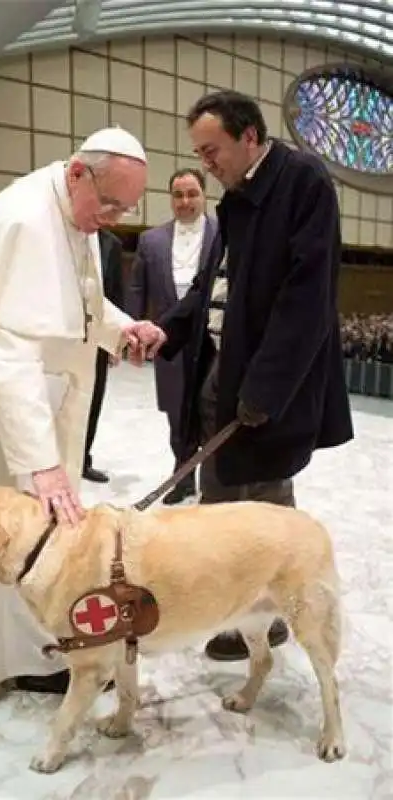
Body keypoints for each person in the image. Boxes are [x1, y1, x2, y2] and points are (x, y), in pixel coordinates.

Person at [0, 128, 165, 700]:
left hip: (32, 391)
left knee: (36, 524)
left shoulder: (71, 211)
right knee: (4, 524)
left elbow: (77, 297)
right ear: (78, 171)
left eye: (125, 209)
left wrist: (121, 328)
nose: (111, 217)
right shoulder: (26, 220)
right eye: (108, 202)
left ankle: (31, 640)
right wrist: (41, 464)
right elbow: (8, 352)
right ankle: (1, 655)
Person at [141, 91, 353, 662]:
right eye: (199, 154)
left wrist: (265, 388)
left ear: (250, 137)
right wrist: (173, 329)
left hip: (267, 379)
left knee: (263, 502)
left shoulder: (304, 183)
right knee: (221, 497)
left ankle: (273, 616)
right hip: (223, 368)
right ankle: (228, 607)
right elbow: (214, 282)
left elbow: (306, 299)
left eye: (212, 150)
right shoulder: (236, 196)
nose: (205, 163)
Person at [128, 168, 219, 503]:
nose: (185, 201)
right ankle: (183, 478)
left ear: (204, 194)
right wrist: (132, 331)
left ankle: (212, 479)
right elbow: (137, 289)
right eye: (178, 195)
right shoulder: (150, 240)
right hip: (168, 340)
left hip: (211, 342)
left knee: (209, 410)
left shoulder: (223, 233)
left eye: (192, 193)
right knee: (176, 415)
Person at [82, 227, 125, 483]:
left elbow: (115, 293)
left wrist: (116, 341)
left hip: (98, 334)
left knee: (94, 399)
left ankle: (83, 459)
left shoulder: (112, 244)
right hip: (61, 337)